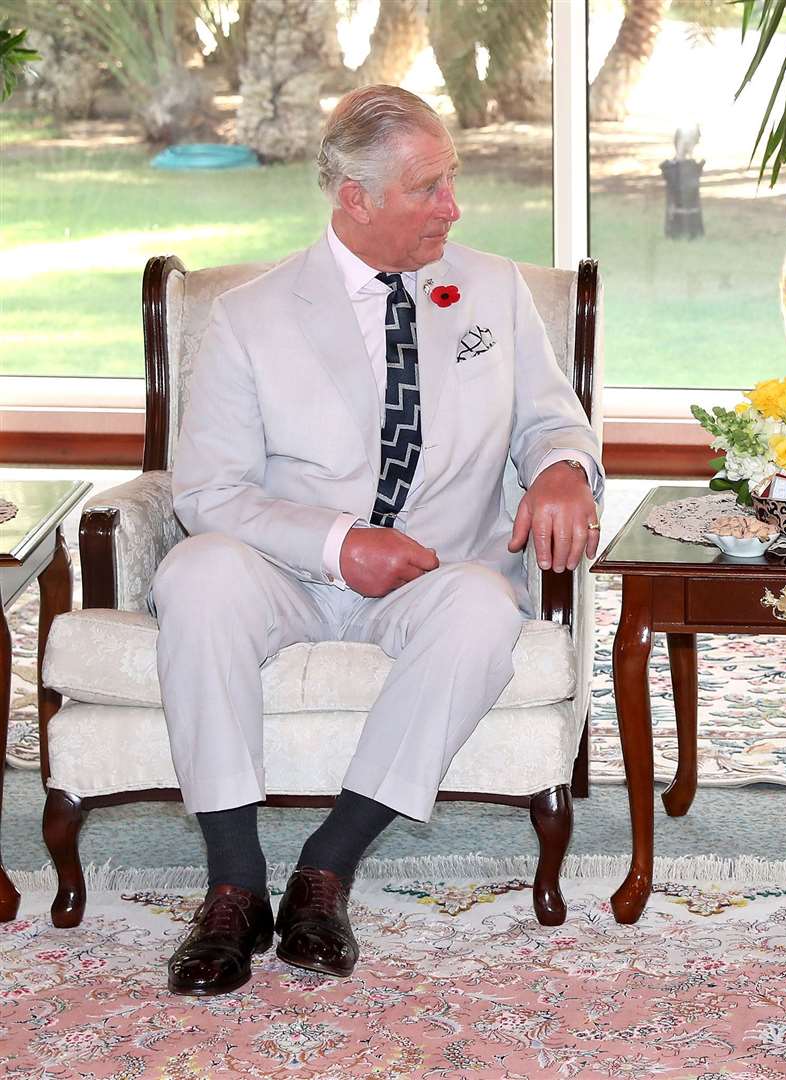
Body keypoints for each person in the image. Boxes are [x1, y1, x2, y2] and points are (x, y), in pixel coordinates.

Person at [152, 85, 603, 996]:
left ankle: (327, 868)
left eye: (451, 181)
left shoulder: (492, 289)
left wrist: (561, 467)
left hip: (436, 574)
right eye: (428, 188)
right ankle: (234, 884)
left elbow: (556, 423)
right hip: (284, 570)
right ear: (354, 197)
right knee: (195, 574)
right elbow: (207, 491)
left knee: (485, 606)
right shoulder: (252, 315)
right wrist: (335, 543)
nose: (453, 206)